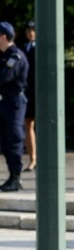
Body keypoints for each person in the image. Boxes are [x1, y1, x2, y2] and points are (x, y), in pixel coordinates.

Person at [0, 20, 29, 192]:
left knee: (14, 138)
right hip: (5, 102)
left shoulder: (15, 56)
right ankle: (12, 176)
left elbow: (4, 76)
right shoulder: (4, 55)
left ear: (3, 37)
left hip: (15, 102)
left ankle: (16, 177)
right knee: (5, 141)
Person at [21, 20, 36, 172]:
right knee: (28, 124)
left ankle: (38, 157)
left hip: (40, 92)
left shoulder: (41, 48)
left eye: (33, 30)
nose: (31, 33)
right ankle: (33, 158)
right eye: (29, 30)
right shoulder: (24, 48)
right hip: (28, 92)